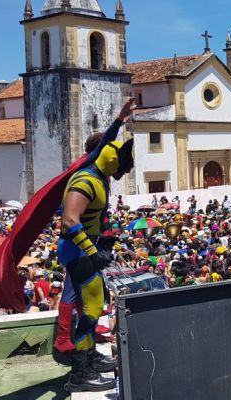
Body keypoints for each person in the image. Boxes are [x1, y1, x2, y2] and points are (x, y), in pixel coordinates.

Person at [58, 105, 135, 391]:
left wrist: (119, 120)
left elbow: (105, 144)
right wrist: (93, 252)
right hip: (78, 252)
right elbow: (69, 220)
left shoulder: (98, 173)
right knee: (90, 309)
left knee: (95, 304)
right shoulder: (86, 180)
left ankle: (89, 357)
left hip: (86, 250)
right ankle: (81, 373)